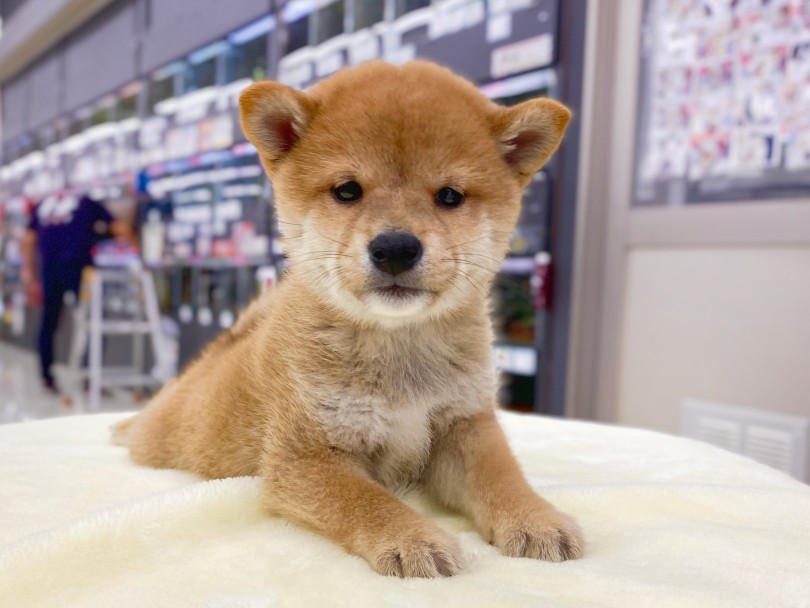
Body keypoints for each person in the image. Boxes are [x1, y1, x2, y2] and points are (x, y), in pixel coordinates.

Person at [21, 191, 136, 393]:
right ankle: (90, 379)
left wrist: (30, 276)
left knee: (49, 324)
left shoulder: (43, 205)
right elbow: (121, 228)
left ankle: (47, 378)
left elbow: (28, 240)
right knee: (94, 322)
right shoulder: (86, 202)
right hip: (79, 271)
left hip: (49, 271)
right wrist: (137, 248)